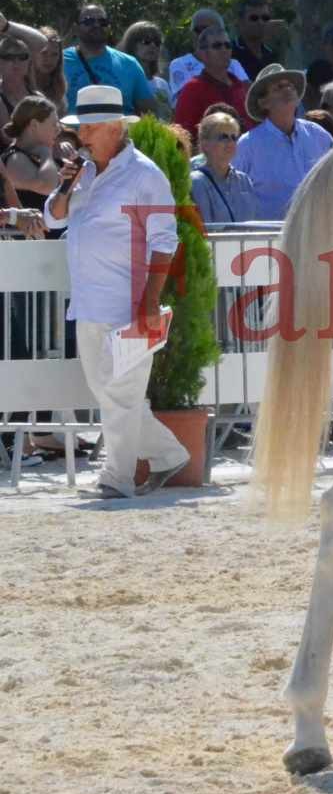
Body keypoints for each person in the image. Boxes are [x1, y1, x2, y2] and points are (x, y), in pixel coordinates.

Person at [42, 84, 188, 498]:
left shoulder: (145, 175)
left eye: (88, 128)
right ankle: (169, 454)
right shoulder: (83, 172)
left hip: (128, 302)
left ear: (113, 127)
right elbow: (52, 220)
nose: (80, 136)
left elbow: (165, 242)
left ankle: (117, 477)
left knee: (121, 394)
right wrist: (67, 184)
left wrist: (148, 304)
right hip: (88, 301)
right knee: (107, 391)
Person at [232, 64, 333, 220]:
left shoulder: (319, 135)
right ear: (264, 103)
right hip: (269, 240)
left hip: (316, 234)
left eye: (290, 85)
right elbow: (234, 194)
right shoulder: (248, 145)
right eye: (278, 87)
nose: (287, 89)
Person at [61, 3, 157, 116]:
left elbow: (148, 113)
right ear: (75, 29)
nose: (97, 25)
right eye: (89, 21)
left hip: (120, 132)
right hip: (73, 132)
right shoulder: (59, 61)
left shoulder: (130, 64)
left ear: (109, 27)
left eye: (103, 22)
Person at [173, 25, 251, 135]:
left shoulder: (240, 87)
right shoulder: (192, 90)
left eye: (228, 45)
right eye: (217, 46)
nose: (224, 50)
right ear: (202, 53)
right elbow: (183, 136)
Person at [190, 107, 259, 226]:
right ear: (205, 144)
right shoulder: (195, 182)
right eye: (223, 137)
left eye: (233, 137)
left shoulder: (244, 181)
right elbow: (204, 230)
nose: (230, 143)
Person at [1, 95, 67, 217]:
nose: (58, 130)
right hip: (31, 235)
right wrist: (46, 153)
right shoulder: (14, 158)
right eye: (54, 124)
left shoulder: (43, 157)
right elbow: (47, 186)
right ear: (34, 125)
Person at [167, 8, 249, 98]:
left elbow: (248, 95)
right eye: (198, 30)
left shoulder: (234, 64)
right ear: (191, 34)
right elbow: (186, 97)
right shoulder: (179, 64)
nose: (202, 35)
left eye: (208, 30)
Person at [119, 21, 172, 120]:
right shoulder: (125, 82)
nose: (153, 46)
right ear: (132, 45)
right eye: (146, 41)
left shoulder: (162, 84)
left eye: (157, 42)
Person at [232, 0, 277, 80]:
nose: (261, 22)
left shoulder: (270, 54)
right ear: (240, 21)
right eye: (254, 18)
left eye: (265, 18)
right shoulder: (229, 53)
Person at [0, 35, 41, 119]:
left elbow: (42, 42)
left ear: (29, 62)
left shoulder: (39, 98)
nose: (16, 62)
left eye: (22, 57)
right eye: (8, 57)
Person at [32, 26, 66, 109]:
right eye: (44, 53)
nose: (49, 59)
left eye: (54, 54)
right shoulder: (20, 84)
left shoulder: (58, 87)